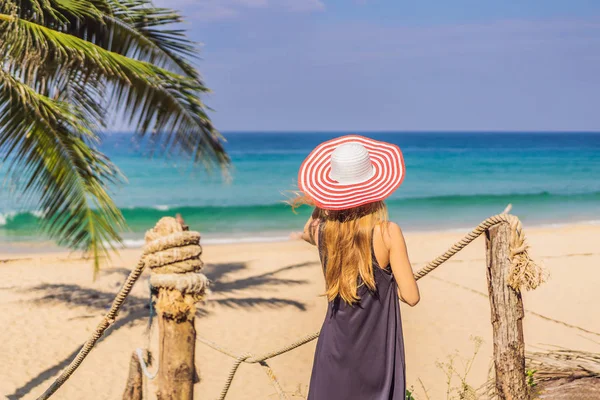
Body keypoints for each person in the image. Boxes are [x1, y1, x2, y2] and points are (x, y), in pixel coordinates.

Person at [291, 135, 420, 400]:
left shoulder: (323, 232)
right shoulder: (388, 233)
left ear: (332, 189)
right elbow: (411, 296)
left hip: (334, 348)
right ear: (377, 187)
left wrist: (323, 201)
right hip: (375, 354)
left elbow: (307, 230)